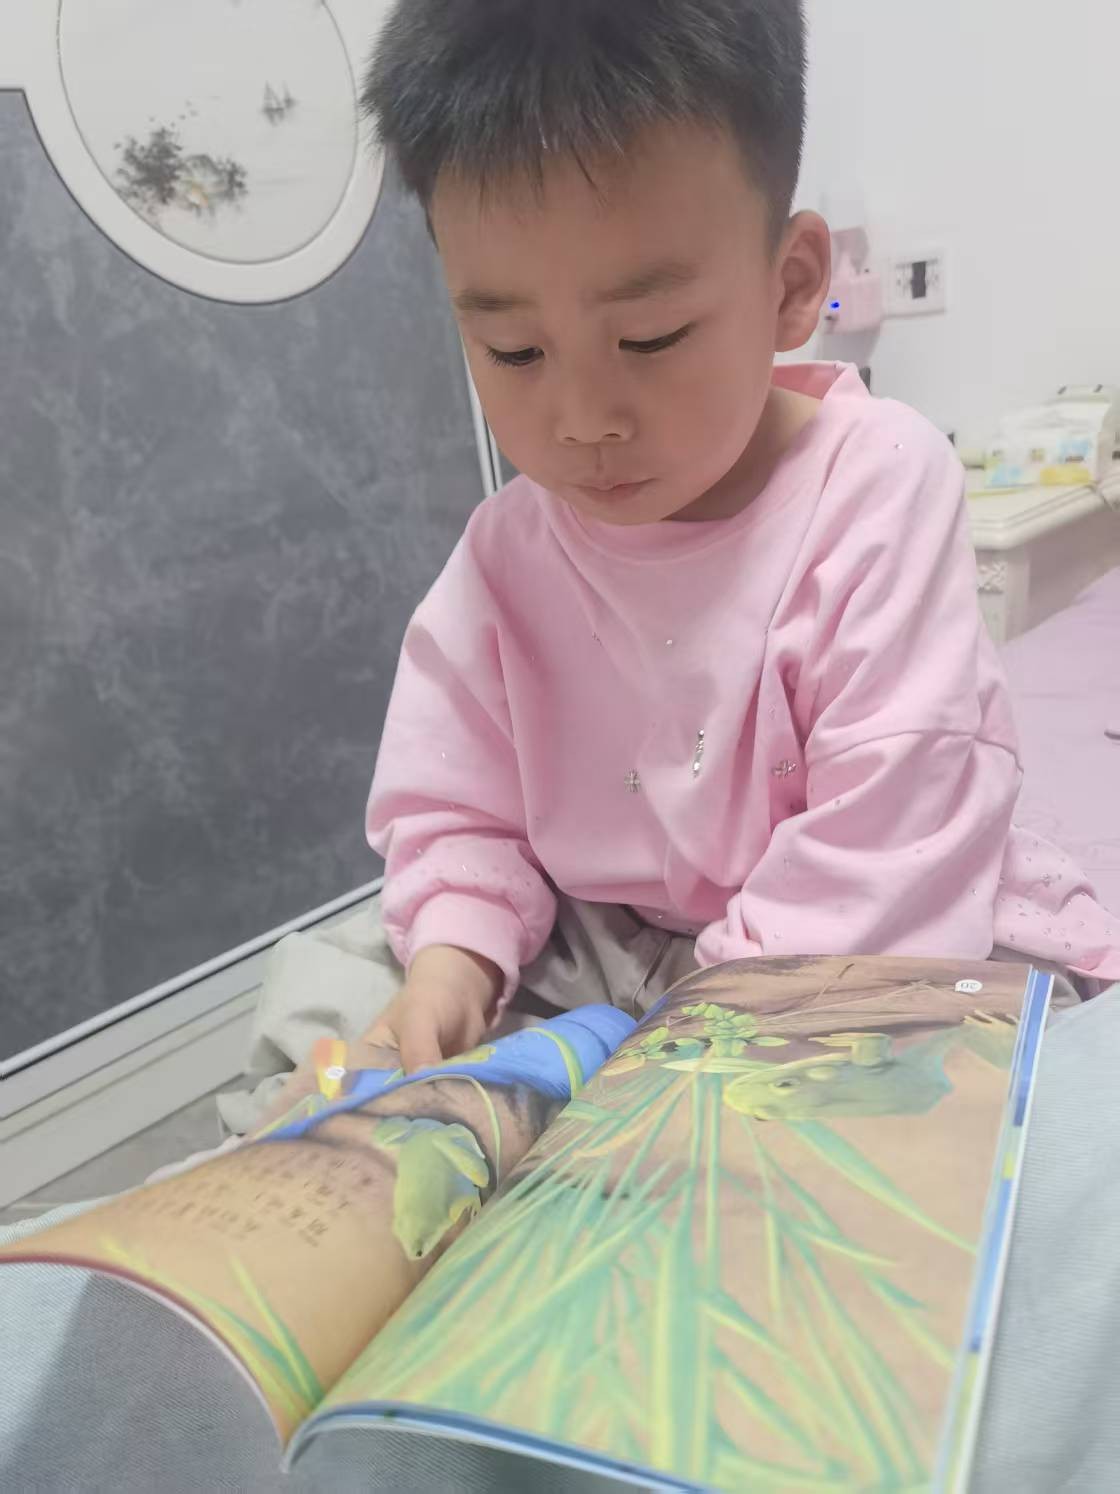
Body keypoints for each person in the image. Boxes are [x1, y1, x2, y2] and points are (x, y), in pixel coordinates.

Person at [356, 0, 1120, 1072]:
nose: (582, 420)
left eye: (650, 337)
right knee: (335, 999)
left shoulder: (875, 486)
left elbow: (889, 845)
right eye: (514, 351)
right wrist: (451, 961)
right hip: (613, 937)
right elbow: (455, 810)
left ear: (791, 286)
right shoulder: (503, 555)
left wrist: (659, 1053)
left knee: (1023, 1071)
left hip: (861, 931)